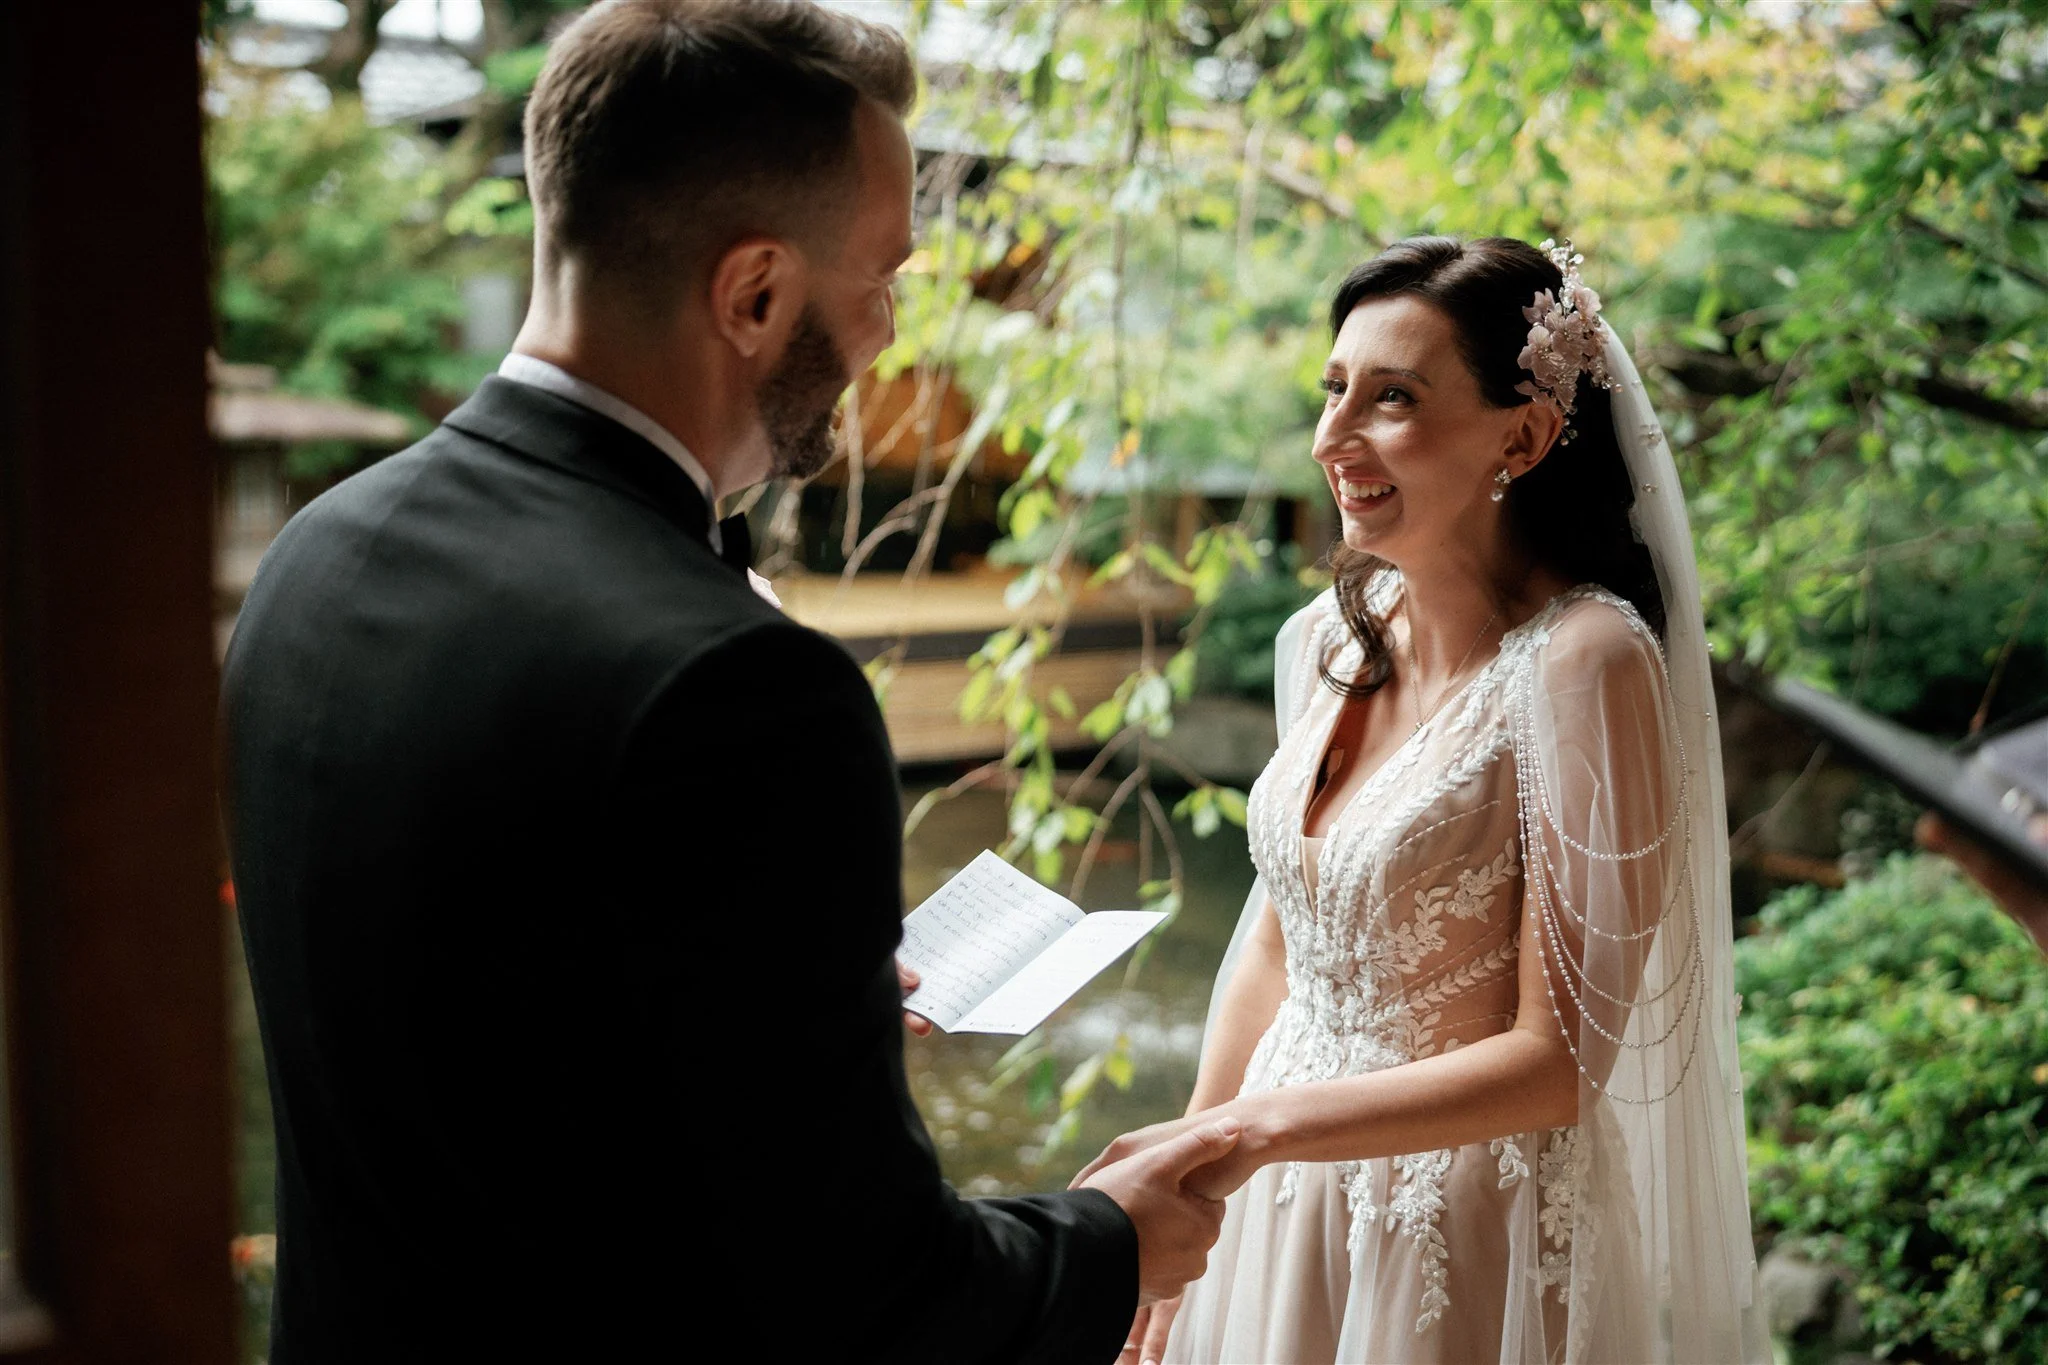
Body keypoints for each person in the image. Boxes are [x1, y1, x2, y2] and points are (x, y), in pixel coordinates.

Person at [220, 3, 1235, 1360]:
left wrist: (794, 990)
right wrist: (1111, 1240)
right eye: (883, 276)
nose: (886, 335)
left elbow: (497, 1024)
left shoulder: (312, 558)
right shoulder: (737, 686)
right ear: (755, 293)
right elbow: (860, 1298)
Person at [1077, 236, 1770, 1363]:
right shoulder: (1326, 641)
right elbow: (1271, 945)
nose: (1331, 437)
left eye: (1391, 398)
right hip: (1270, 1196)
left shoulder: (1584, 664)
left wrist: (1252, 1131)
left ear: (1524, 435)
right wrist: (1191, 1167)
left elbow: (1557, 1066)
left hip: (1454, 1230)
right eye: (1333, 389)